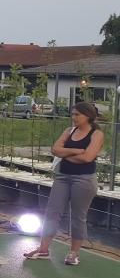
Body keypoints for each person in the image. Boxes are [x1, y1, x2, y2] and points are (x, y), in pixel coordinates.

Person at [24, 103, 105, 265]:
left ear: (87, 116)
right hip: (63, 177)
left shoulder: (96, 134)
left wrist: (65, 153)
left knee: (78, 216)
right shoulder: (69, 131)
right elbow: (55, 150)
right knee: (52, 212)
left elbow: (88, 158)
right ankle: (43, 250)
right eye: (72, 114)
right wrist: (76, 151)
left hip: (84, 179)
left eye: (77, 115)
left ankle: (74, 253)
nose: (73, 117)